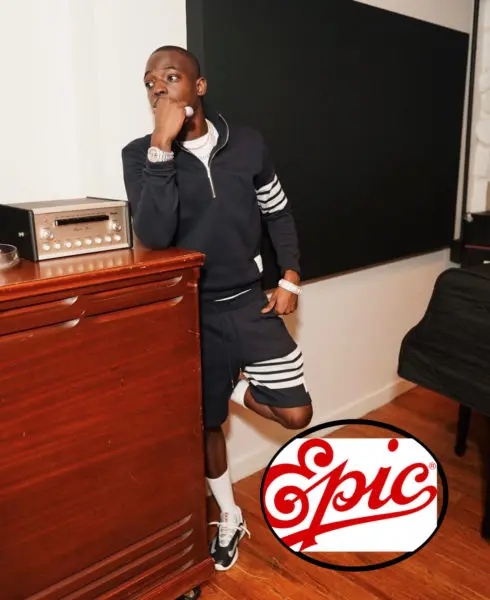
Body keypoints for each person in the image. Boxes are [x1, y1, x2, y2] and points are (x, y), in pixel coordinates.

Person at [121, 45, 313, 572]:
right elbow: (155, 235)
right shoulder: (139, 155)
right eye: (149, 82)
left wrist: (291, 277)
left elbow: (278, 213)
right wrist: (162, 147)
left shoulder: (247, 143)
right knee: (207, 426)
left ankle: (228, 388)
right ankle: (228, 514)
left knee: (296, 414)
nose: (158, 89)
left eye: (171, 77)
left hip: (250, 302)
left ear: (199, 87)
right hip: (189, 316)